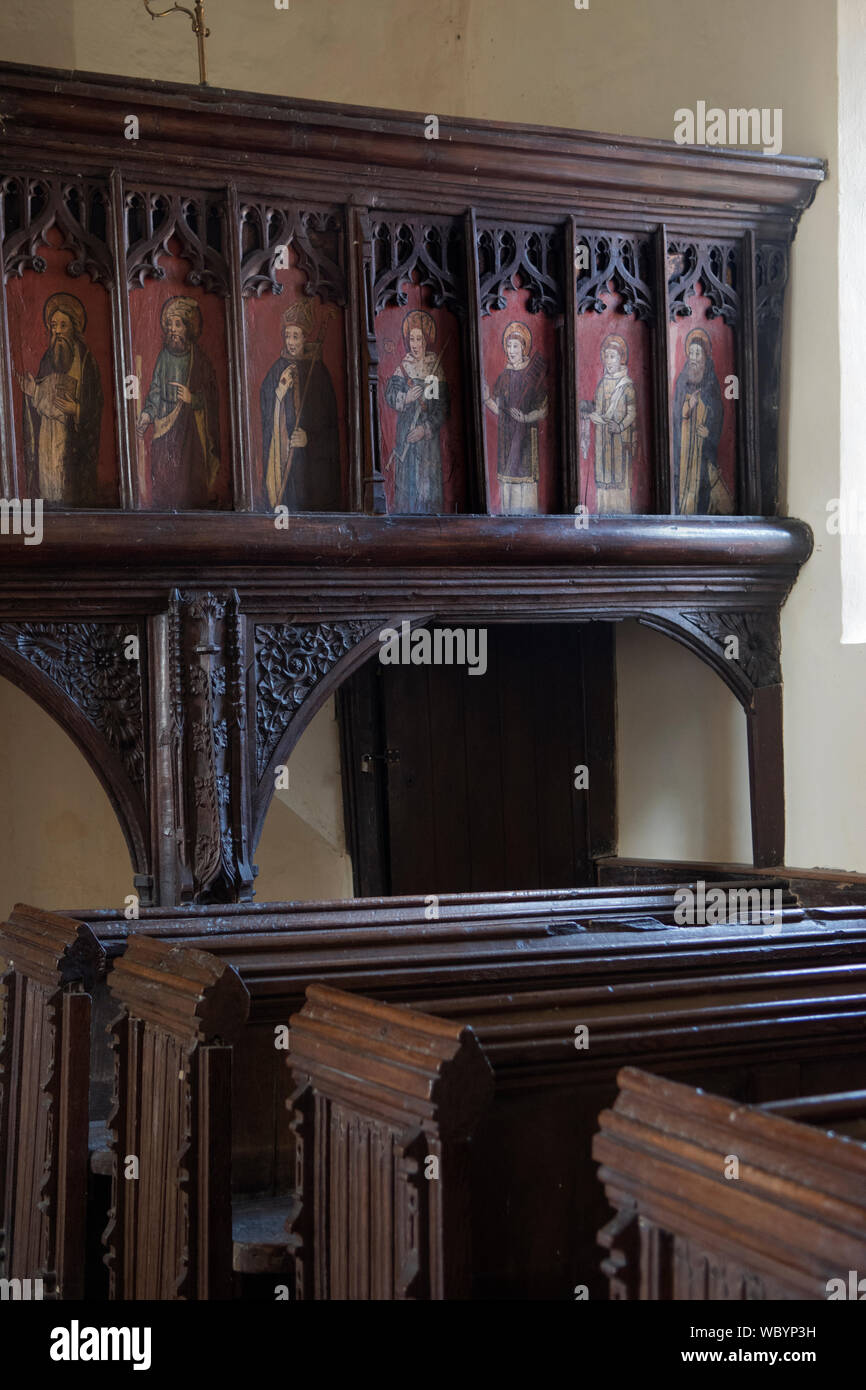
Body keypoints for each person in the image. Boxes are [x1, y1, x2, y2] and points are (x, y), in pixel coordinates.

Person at [18, 292, 103, 506]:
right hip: (48, 436)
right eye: (54, 326)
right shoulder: (48, 358)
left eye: (62, 325)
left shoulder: (86, 361)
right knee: (50, 491)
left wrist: (77, 409)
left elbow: (96, 404)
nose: (56, 331)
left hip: (74, 440)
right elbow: (40, 399)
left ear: (74, 327)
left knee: (72, 491)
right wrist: (32, 392)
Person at [136, 295, 220, 509]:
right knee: (164, 477)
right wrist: (147, 414)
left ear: (188, 328)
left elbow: (211, 396)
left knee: (190, 478)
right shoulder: (163, 357)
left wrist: (193, 398)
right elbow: (155, 390)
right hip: (164, 426)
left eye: (178, 324)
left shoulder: (199, 360)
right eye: (169, 325)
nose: (172, 330)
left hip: (191, 430)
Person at [260, 298, 340, 511]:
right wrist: (279, 395)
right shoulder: (277, 370)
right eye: (287, 336)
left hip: (312, 469)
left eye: (295, 336)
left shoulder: (319, 374)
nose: (290, 342)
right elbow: (266, 411)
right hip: (285, 459)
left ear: (305, 338)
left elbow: (332, 427)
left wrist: (309, 438)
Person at [384, 309, 449, 514]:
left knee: (426, 486)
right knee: (407, 485)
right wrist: (406, 398)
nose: (414, 344)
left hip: (427, 441)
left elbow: (441, 407)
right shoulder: (403, 367)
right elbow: (390, 395)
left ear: (426, 341)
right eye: (411, 339)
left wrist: (425, 428)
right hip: (406, 436)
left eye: (418, 339)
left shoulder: (434, 367)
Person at [483, 320, 548, 515]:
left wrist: (527, 418)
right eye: (508, 346)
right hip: (506, 438)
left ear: (523, 348)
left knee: (525, 485)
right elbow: (499, 409)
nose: (511, 350)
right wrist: (486, 399)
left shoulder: (534, 374)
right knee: (508, 488)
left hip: (526, 438)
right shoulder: (504, 376)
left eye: (515, 346)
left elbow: (544, 408)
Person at [672, 326, 729, 513]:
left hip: (702, 446)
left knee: (702, 482)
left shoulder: (711, 382)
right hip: (684, 444)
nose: (694, 357)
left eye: (698, 353)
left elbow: (718, 413)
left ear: (705, 355)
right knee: (682, 480)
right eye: (691, 353)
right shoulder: (682, 380)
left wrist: (709, 433)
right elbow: (675, 413)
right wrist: (688, 407)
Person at [579, 333, 637, 512]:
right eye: (606, 357)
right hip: (603, 441)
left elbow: (631, 412)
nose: (609, 361)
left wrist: (619, 426)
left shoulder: (626, 385)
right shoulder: (602, 383)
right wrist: (585, 409)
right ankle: (603, 514)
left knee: (618, 481)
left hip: (618, 440)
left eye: (613, 356)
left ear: (621, 359)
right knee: (603, 482)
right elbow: (598, 407)